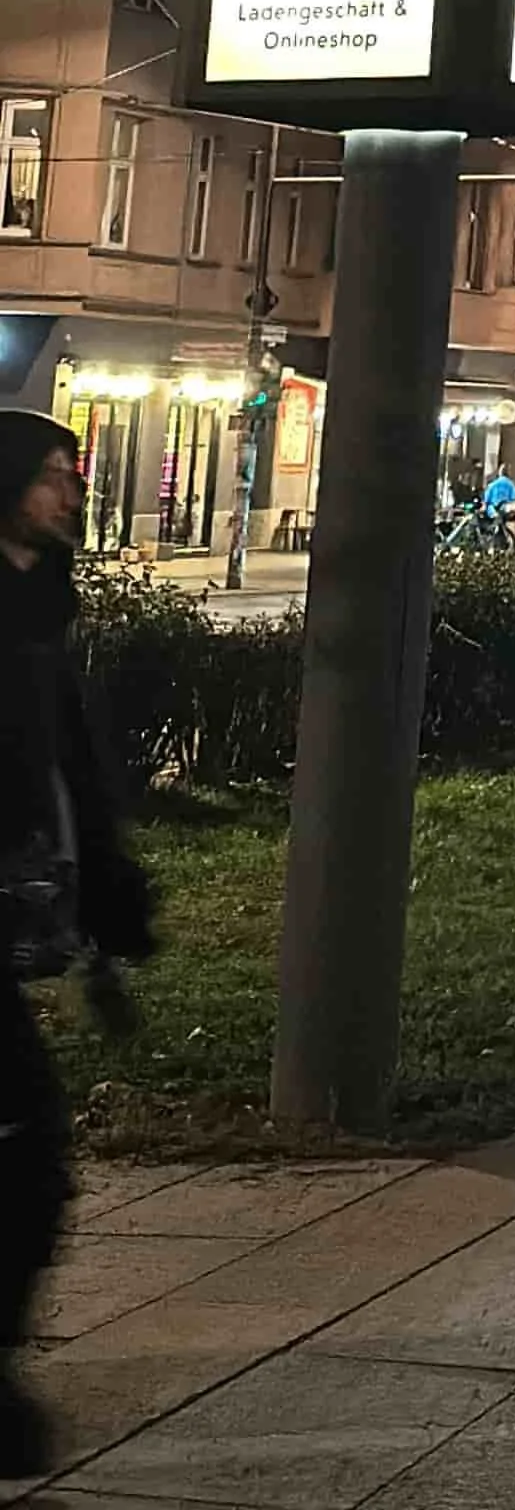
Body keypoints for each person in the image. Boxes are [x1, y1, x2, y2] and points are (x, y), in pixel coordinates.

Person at [0, 412, 155, 1476]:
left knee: (31, 1150)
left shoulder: (38, 602)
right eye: (53, 476)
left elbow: (74, 767)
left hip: (16, 914)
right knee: (34, 1153)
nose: (69, 492)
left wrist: (109, 907)